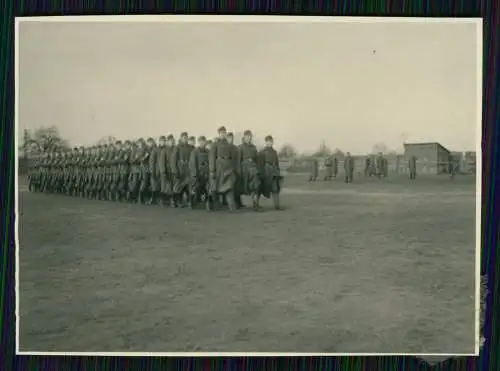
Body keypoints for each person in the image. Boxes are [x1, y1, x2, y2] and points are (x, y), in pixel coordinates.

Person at [208, 126, 238, 211]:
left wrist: (234, 168)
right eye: (221, 133)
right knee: (215, 187)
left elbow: (233, 158)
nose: (223, 134)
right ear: (219, 134)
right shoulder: (215, 145)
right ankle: (213, 204)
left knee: (229, 186)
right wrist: (212, 170)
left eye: (224, 133)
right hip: (219, 169)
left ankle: (231, 206)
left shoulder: (229, 145)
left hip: (229, 168)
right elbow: (212, 158)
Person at [258, 135, 283, 210]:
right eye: (268, 141)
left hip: (274, 171)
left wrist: (278, 171)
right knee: (261, 188)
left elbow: (277, 163)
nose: (270, 143)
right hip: (266, 171)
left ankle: (277, 206)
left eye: (271, 141)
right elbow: (260, 164)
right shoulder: (262, 152)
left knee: (275, 188)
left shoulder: (274, 152)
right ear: (266, 142)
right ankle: (256, 204)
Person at [239, 130, 261, 210]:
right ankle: (238, 204)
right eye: (247, 136)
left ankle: (256, 204)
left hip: (253, 169)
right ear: (244, 137)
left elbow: (257, 159)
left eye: (250, 136)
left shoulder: (254, 147)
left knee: (256, 186)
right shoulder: (240, 147)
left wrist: (257, 168)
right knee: (241, 187)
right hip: (244, 170)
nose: (248, 138)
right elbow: (238, 160)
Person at [170, 132, 193, 207]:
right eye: (184, 138)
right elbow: (173, 160)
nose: (185, 139)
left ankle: (189, 202)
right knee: (177, 187)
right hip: (180, 170)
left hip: (188, 170)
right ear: (181, 138)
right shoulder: (177, 147)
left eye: (186, 138)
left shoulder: (190, 148)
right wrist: (175, 171)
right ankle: (174, 201)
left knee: (188, 187)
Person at [188, 135, 210, 209]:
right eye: (201, 141)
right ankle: (190, 203)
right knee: (194, 189)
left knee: (207, 189)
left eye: (204, 141)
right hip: (198, 174)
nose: (202, 143)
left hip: (206, 174)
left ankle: (208, 204)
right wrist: (194, 175)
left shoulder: (208, 151)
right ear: (199, 142)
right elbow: (193, 164)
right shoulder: (195, 152)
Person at [158, 134, 175, 207]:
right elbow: (162, 162)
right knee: (163, 187)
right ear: (168, 142)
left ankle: (171, 201)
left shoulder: (175, 149)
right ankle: (162, 201)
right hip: (166, 171)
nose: (172, 142)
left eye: (173, 141)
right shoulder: (164, 150)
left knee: (172, 186)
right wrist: (163, 171)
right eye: (170, 141)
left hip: (173, 171)